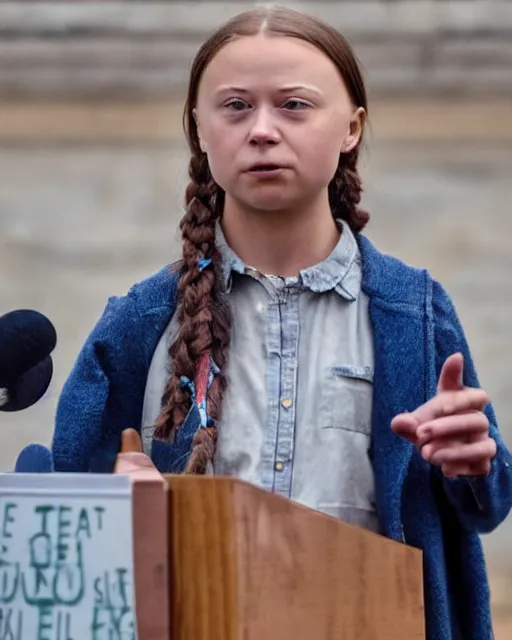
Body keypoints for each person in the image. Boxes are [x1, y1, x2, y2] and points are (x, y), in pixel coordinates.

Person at [51, 6, 511, 639]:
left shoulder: (415, 313)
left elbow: (484, 510)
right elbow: (62, 519)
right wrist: (104, 504)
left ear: (352, 127)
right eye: (235, 106)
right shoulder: (141, 321)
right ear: (199, 130)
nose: (262, 130)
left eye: (294, 105)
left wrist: (473, 464)